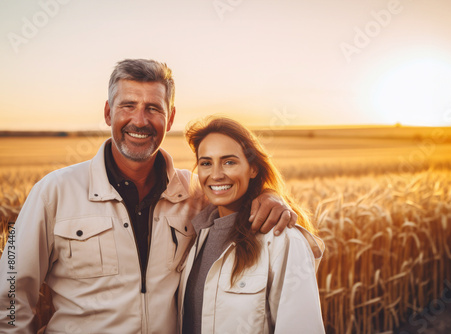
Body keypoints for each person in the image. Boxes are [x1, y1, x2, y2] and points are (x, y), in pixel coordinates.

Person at [0, 59, 297, 334]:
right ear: (108, 112)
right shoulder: (53, 192)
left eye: (153, 108)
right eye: (128, 105)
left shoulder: (195, 193)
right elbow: (10, 290)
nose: (140, 121)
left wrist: (270, 195)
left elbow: (237, 195)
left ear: (170, 119)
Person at [178, 117, 326, 333]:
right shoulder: (196, 234)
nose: (216, 175)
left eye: (229, 162)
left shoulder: (281, 239)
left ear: (253, 168)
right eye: (206, 163)